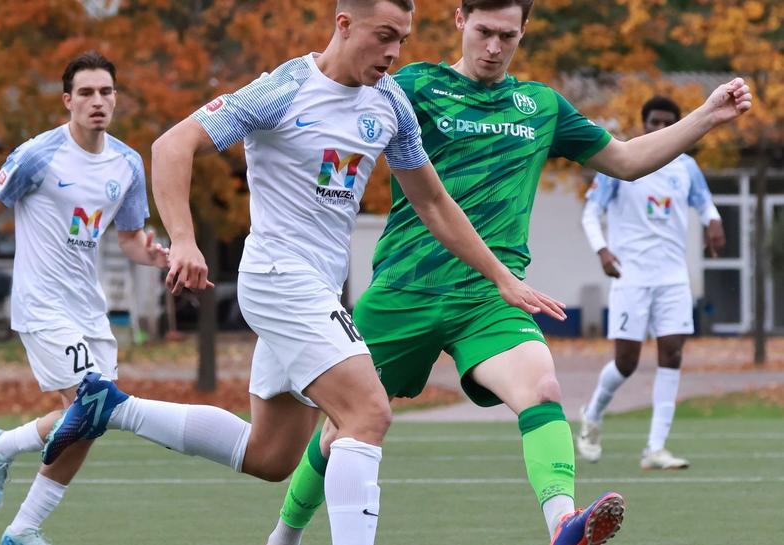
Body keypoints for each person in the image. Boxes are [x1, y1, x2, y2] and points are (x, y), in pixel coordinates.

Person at [39, 2, 564, 545]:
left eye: (402, 40)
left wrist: (502, 277)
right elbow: (173, 145)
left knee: (271, 456)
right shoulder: (283, 88)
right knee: (366, 412)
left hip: (317, 289)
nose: (393, 53)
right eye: (383, 36)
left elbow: (433, 202)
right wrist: (186, 240)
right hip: (276, 277)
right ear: (343, 25)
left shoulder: (391, 105)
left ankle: (111, 407)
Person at [265, 2, 751, 545]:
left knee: (542, 387)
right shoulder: (411, 85)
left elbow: (627, 160)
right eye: (484, 32)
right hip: (406, 288)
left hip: (494, 296)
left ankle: (563, 523)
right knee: (340, 427)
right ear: (459, 21)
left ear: (524, 32)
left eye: (507, 35)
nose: (494, 47)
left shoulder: (539, 104)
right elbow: (337, 115)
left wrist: (705, 116)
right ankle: (284, 535)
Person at [0, 51, 169, 545]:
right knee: (90, 405)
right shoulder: (37, 155)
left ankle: (3, 449)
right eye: (86, 93)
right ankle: (22, 530)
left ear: (116, 99)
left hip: (89, 310)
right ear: (68, 101)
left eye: (106, 92)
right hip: (42, 306)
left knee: (93, 419)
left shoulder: (128, 163)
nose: (97, 101)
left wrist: (160, 256)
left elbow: (131, 240)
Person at [576, 96, 725, 470]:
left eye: (668, 123)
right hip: (632, 276)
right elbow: (591, 213)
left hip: (672, 277)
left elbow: (704, 203)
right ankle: (592, 415)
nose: (660, 130)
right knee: (626, 362)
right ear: (643, 125)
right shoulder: (620, 162)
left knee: (672, 353)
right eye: (654, 122)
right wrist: (603, 251)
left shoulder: (687, 167)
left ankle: (655, 448)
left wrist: (713, 219)